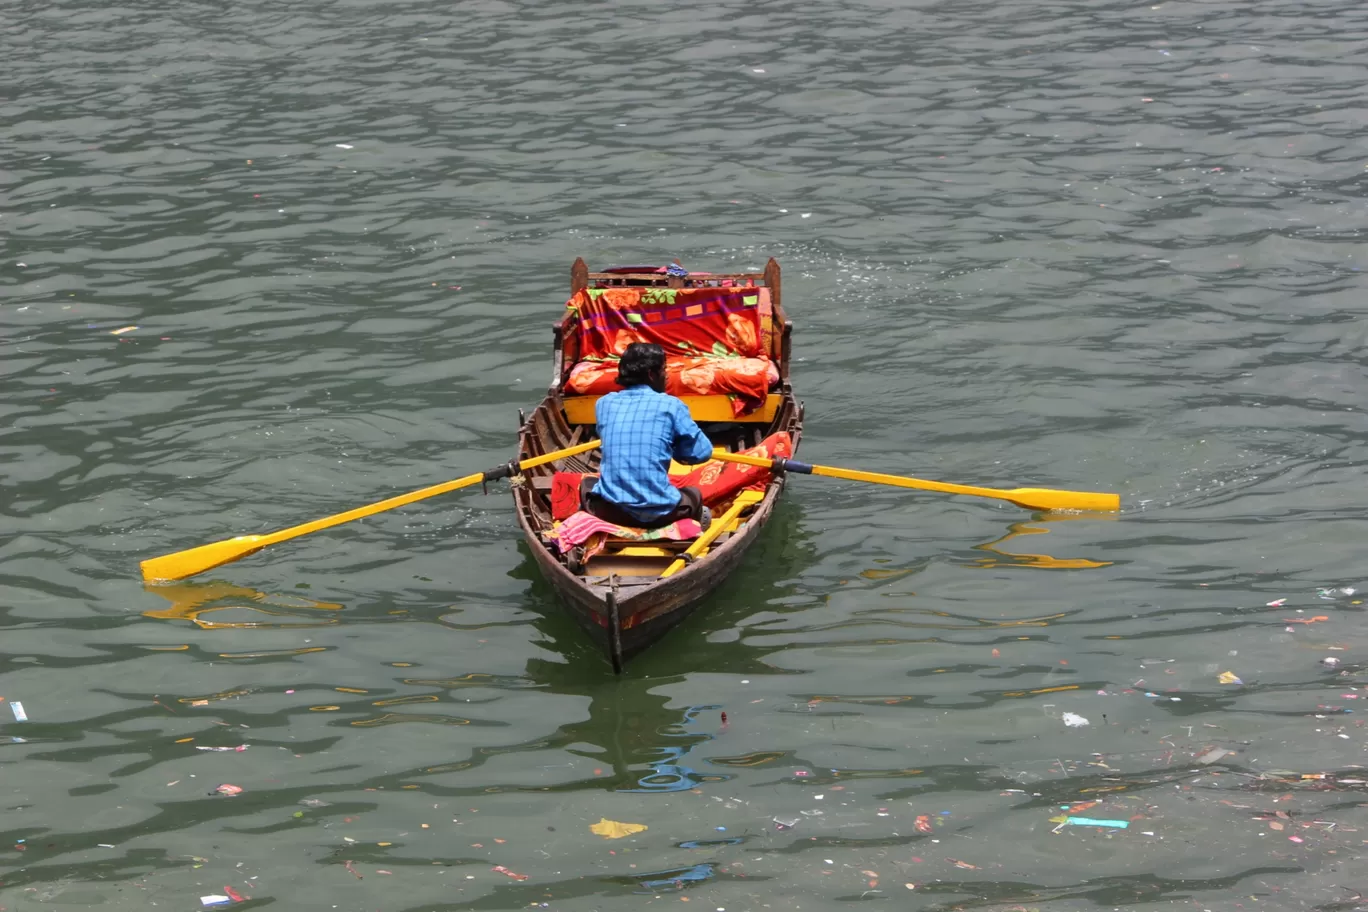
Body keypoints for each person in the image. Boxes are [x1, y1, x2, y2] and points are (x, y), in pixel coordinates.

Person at [583, 342, 713, 529]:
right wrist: (675, 448)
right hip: (661, 515)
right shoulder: (671, 405)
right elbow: (702, 453)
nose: (666, 375)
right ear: (652, 375)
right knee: (694, 495)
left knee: (588, 485)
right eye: (664, 370)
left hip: (610, 512)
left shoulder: (603, 404)